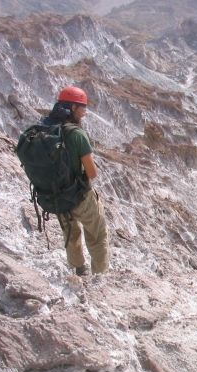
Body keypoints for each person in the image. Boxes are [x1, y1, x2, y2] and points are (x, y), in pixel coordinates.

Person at [43, 86, 109, 275]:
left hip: (56, 195)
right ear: (72, 108)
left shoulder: (46, 128)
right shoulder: (77, 134)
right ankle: (100, 275)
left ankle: (78, 269)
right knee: (97, 234)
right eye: (82, 107)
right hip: (79, 195)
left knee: (70, 235)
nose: (85, 112)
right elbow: (92, 172)